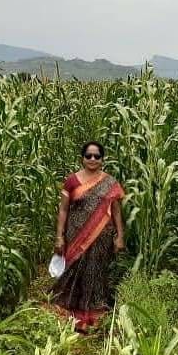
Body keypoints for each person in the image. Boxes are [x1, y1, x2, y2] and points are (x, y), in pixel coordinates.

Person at [52, 141, 125, 331]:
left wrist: (120, 236)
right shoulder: (72, 181)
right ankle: (72, 314)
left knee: (95, 272)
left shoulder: (110, 183)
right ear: (82, 158)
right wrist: (59, 237)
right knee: (74, 271)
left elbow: (116, 211)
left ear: (102, 159)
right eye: (88, 156)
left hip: (102, 237)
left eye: (97, 156)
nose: (92, 159)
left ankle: (92, 314)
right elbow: (63, 210)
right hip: (75, 236)